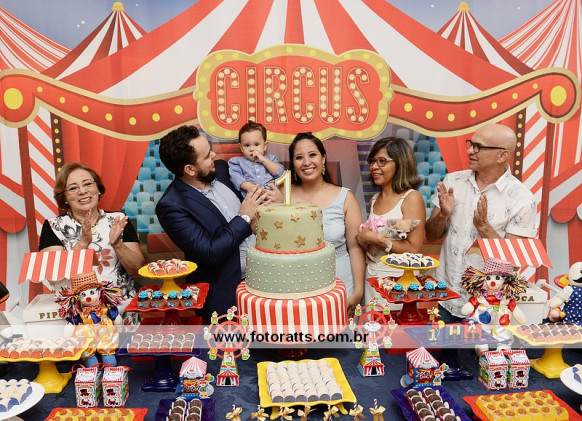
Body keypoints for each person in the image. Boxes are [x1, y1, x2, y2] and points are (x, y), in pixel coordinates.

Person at [155, 125, 278, 319]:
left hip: (267, 281)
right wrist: (244, 218)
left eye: (210, 149)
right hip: (226, 299)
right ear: (190, 169)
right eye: (206, 156)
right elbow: (210, 252)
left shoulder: (222, 169)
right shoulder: (172, 206)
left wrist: (275, 198)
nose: (214, 155)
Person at [425, 123, 538, 318]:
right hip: (444, 296)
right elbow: (431, 235)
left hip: (486, 307)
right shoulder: (453, 182)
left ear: (502, 155)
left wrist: (484, 228)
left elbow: (513, 263)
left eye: (479, 147)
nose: (470, 151)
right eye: (471, 144)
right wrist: (443, 215)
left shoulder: (522, 199)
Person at [39, 162, 145, 322]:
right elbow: (52, 277)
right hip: (78, 319)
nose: (83, 191)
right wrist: (82, 243)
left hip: (124, 315)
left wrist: (117, 244)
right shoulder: (53, 226)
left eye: (88, 184)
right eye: (73, 188)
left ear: (98, 189)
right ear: (64, 197)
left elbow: (137, 268)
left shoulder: (119, 220)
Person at [289, 132, 365, 317]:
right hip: (296, 287)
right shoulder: (283, 198)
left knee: (340, 335)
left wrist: (358, 291)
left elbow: (355, 247)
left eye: (312, 155)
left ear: (323, 158)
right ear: (293, 163)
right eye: (299, 157)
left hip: (340, 285)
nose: (306, 162)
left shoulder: (345, 197)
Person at [356, 137, 426, 304]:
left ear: (400, 163)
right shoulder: (374, 199)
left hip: (399, 282)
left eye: (382, 161)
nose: (374, 167)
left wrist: (374, 238)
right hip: (372, 277)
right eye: (372, 161)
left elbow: (413, 250)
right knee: (372, 320)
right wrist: (363, 239)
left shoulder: (411, 198)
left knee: (394, 322)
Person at [229, 121, 285, 197]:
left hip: (272, 197)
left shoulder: (271, 159)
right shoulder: (237, 162)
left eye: (256, 144)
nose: (252, 149)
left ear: (265, 146)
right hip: (252, 198)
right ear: (241, 148)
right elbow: (236, 178)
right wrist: (250, 187)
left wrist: (263, 160)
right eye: (247, 145)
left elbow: (281, 174)